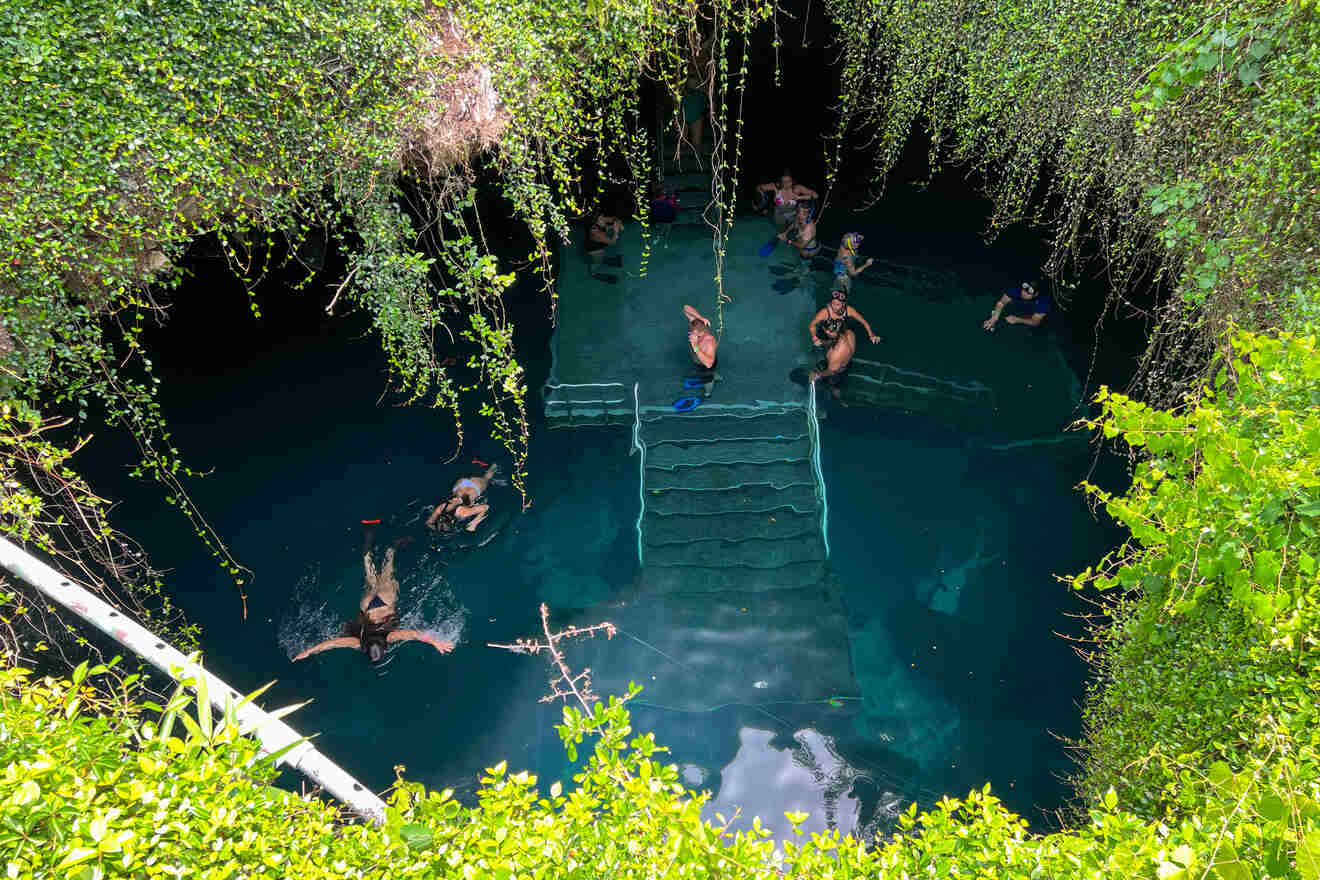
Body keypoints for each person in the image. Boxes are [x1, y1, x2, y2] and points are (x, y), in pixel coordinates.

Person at [293, 526, 455, 663]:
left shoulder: (389, 637)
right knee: (370, 574)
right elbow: (331, 643)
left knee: (387, 572)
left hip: (386, 601)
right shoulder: (357, 642)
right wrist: (308, 651)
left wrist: (435, 642)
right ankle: (368, 540)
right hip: (367, 605)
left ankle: (392, 547)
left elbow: (414, 634)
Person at [426, 463, 500, 533]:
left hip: (475, 487)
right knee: (475, 467)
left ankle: (495, 464)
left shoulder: (463, 513)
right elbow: (428, 523)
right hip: (460, 484)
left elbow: (486, 507)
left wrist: (474, 523)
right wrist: (437, 528)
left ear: (452, 522)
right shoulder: (442, 508)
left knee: (488, 476)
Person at [809, 287, 881, 349]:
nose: (834, 307)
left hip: (839, 332)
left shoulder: (849, 310)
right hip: (824, 334)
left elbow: (864, 322)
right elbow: (811, 325)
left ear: (843, 304)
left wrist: (871, 335)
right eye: (833, 303)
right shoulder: (824, 312)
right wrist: (814, 338)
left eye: (837, 305)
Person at [684, 304, 720, 397]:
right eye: (690, 332)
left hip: (706, 365)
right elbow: (686, 308)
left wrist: (695, 345)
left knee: (707, 379)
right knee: (706, 372)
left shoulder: (709, 342)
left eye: (692, 333)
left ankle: (708, 392)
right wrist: (700, 317)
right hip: (698, 360)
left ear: (701, 333)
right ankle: (715, 376)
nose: (690, 335)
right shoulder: (697, 324)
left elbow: (708, 364)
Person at [982, 282, 1051, 330]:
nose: (1024, 293)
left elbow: (1035, 322)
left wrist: (1018, 320)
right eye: (1024, 290)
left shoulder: (1043, 302)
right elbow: (1001, 303)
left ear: (1036, 295)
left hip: (1031, 311)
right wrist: (994, 317)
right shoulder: (1017, 289)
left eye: (1028, 293)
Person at [584, 212, 623, 282]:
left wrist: (617, 222)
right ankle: (594, 273)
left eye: (603, 217)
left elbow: (613, 219)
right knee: (596, 263)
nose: (604, 219)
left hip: (598, 244)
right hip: (595, 250)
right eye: (601, 219)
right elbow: (612, 242)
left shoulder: (599, 222)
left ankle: (605, 261)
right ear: (596, 221)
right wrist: (616, 231)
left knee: (601, 258)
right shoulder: (595, 232)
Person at [679, 73, 707, 157]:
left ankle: (698, 160)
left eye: (694, 83)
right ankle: (682, 159)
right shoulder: (682, 93)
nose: (692, 85)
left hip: (696, 118)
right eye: (690, 83)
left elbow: (705, 105)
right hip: (684, 118)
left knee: (697, 143)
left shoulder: (701, 93)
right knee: (682, 143)